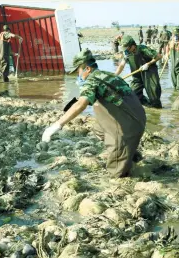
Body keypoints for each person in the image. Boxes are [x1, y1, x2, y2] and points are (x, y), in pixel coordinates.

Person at [41, 49, 146, 178]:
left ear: (87, 69)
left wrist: (57, 125)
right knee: (98, 128)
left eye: (78, 72)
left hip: (128, 126)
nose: (78, 76)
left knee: (116, 174)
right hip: (138, 118)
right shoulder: (107, 75)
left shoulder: (92, 81)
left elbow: (81, 104)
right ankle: (131, 153)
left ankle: (123, 155)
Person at [115, 35, 163, 108]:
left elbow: (159, 56)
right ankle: (150, 106)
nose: (126, 51)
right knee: (133, 95)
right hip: (137, 76)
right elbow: (121, 65)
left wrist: (147, 64)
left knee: (154, 97)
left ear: (133, 46)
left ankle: (157, 108)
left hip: (149, 74)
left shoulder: (142, 49)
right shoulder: (127, 53)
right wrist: (115, 75)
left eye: (127, 49)